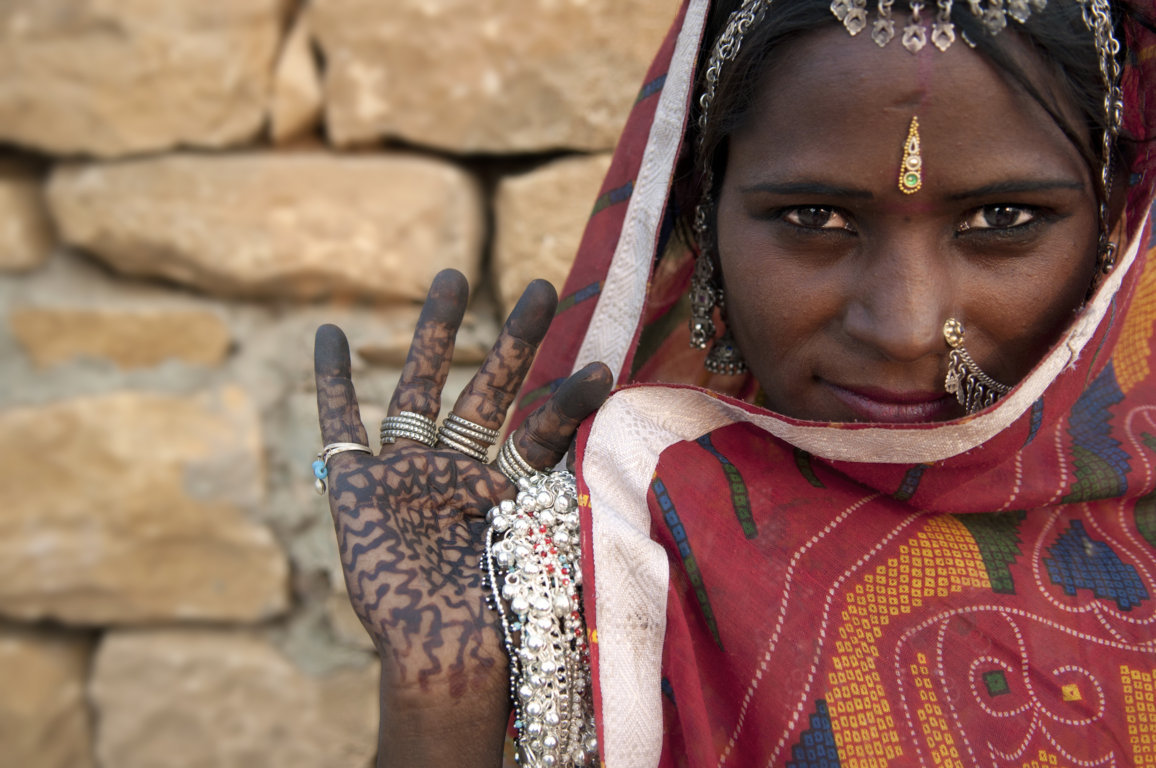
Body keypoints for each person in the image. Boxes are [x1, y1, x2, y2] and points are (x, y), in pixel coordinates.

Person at [313, 0, 1156, 764]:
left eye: (1001, 220)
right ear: (704, 228)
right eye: (814, 218)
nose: (902, 329)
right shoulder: (602, 560)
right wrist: (441, 703)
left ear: (1113, 226)